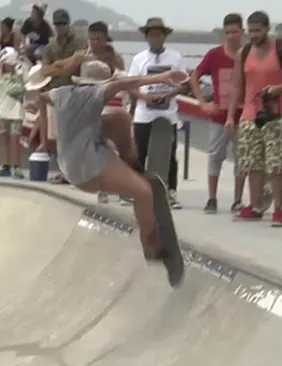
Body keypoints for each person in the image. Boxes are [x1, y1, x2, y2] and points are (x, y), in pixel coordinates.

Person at [28, 60, 188, 259]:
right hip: (89, 168)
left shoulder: (61, 92)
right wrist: (161, 77)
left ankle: (132, 167)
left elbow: (41, 97)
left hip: (68, 164)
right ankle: (152, 247)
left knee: (120, 118)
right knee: (144, 193)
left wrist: (40, 122)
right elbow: (128, 82)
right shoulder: (95, 93)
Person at [227, 11, 282, 226]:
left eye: (257, 30)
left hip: (276, 113)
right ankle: (254, 205)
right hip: (250, 114)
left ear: (267, 28)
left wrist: (280, 88)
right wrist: (230, 116)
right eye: (250, 31)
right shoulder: (244, 53)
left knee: (275, 164)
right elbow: (236, 86)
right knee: (252, 162)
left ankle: (278, 210)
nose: (253, 35)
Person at [123, 17, 187, 209]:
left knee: (168, 153)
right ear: (147, 37)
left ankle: (170, 191)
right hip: (144, 114)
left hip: (167, 114)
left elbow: (184, 85)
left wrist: (170, 94)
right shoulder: (139, 59)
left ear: (164, 36)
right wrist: (144, 97)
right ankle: (136, 190)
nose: (155, 38)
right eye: (151, 35)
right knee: (139, 152)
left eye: (158, 35)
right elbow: (130, 86)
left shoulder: (175, 58)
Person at [190, 13, 245, 214]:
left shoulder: (247, 54)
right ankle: (212, 198)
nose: (231, 36)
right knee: (215, 156)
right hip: (218, 117)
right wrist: (201, 102)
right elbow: (194, 76)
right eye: (228, 32)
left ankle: (237, 199)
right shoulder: (214, 55)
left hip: (243, 116)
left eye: (235, 32)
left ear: (242, 32)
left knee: (242, 158)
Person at [41, 9, 87, 184]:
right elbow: (46, 71)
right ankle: (64, 171)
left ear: (69, 24)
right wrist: (67, 63)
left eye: (63, 24)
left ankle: (74, 172)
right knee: (58, 137)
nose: (60, 27)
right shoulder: (50, 46)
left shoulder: (80, 41)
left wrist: (58, 65)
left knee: (74, 135)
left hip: (75, 92)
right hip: (56, 93)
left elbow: (78, 64)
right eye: (57, 24)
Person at [0, 47, 26, 178]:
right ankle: (5, 166)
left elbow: (25, 85)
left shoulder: (19, 73)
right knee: (4, 140)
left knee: (15, 140)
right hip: (2, 111)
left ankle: (17, 167)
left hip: (16, 112)